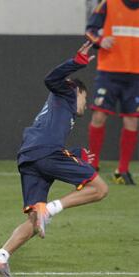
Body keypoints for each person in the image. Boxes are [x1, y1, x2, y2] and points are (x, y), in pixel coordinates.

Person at [0, 42, 109, 276]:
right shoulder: (65, 92)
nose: (86, 104)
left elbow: (47, 139)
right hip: (45, 152)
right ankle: (50, 209)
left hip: (30, 157)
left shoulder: (57, 109)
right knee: (100, 189)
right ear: (77, 91)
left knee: (34, 221)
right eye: (85, 98)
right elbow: (51, 79)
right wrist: (76, 63)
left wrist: (74, 154)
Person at [86, 0, 139, 185]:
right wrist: (100, 41)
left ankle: (122, 171)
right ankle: (92, 166)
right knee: (99, 116)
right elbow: (90, 30)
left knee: (132, 119)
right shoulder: (108, 3)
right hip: (109, 72)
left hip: (135, 75)